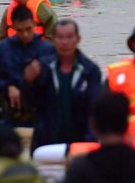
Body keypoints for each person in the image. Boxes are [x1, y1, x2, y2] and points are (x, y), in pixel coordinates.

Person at [26, 19, 102, 149]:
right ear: (53, 40)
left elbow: (95, 111)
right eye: (60, 37)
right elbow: (29, 105)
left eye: (69, 37)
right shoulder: (42, 68)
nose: (65, 42)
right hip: (46, 143)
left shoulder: (90, 71)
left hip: (80, 143)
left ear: (78, 39)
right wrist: (28, 82)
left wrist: (90, 143)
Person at [0, 5, 55, 130]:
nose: (25, 34)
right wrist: (8, 86)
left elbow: (56, 82)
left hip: (39, 114)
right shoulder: (4, 49)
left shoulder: (47, 50)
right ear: (13, 28)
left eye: (28, 29)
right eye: (20, 30)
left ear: (34, 25)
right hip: (10, 114)